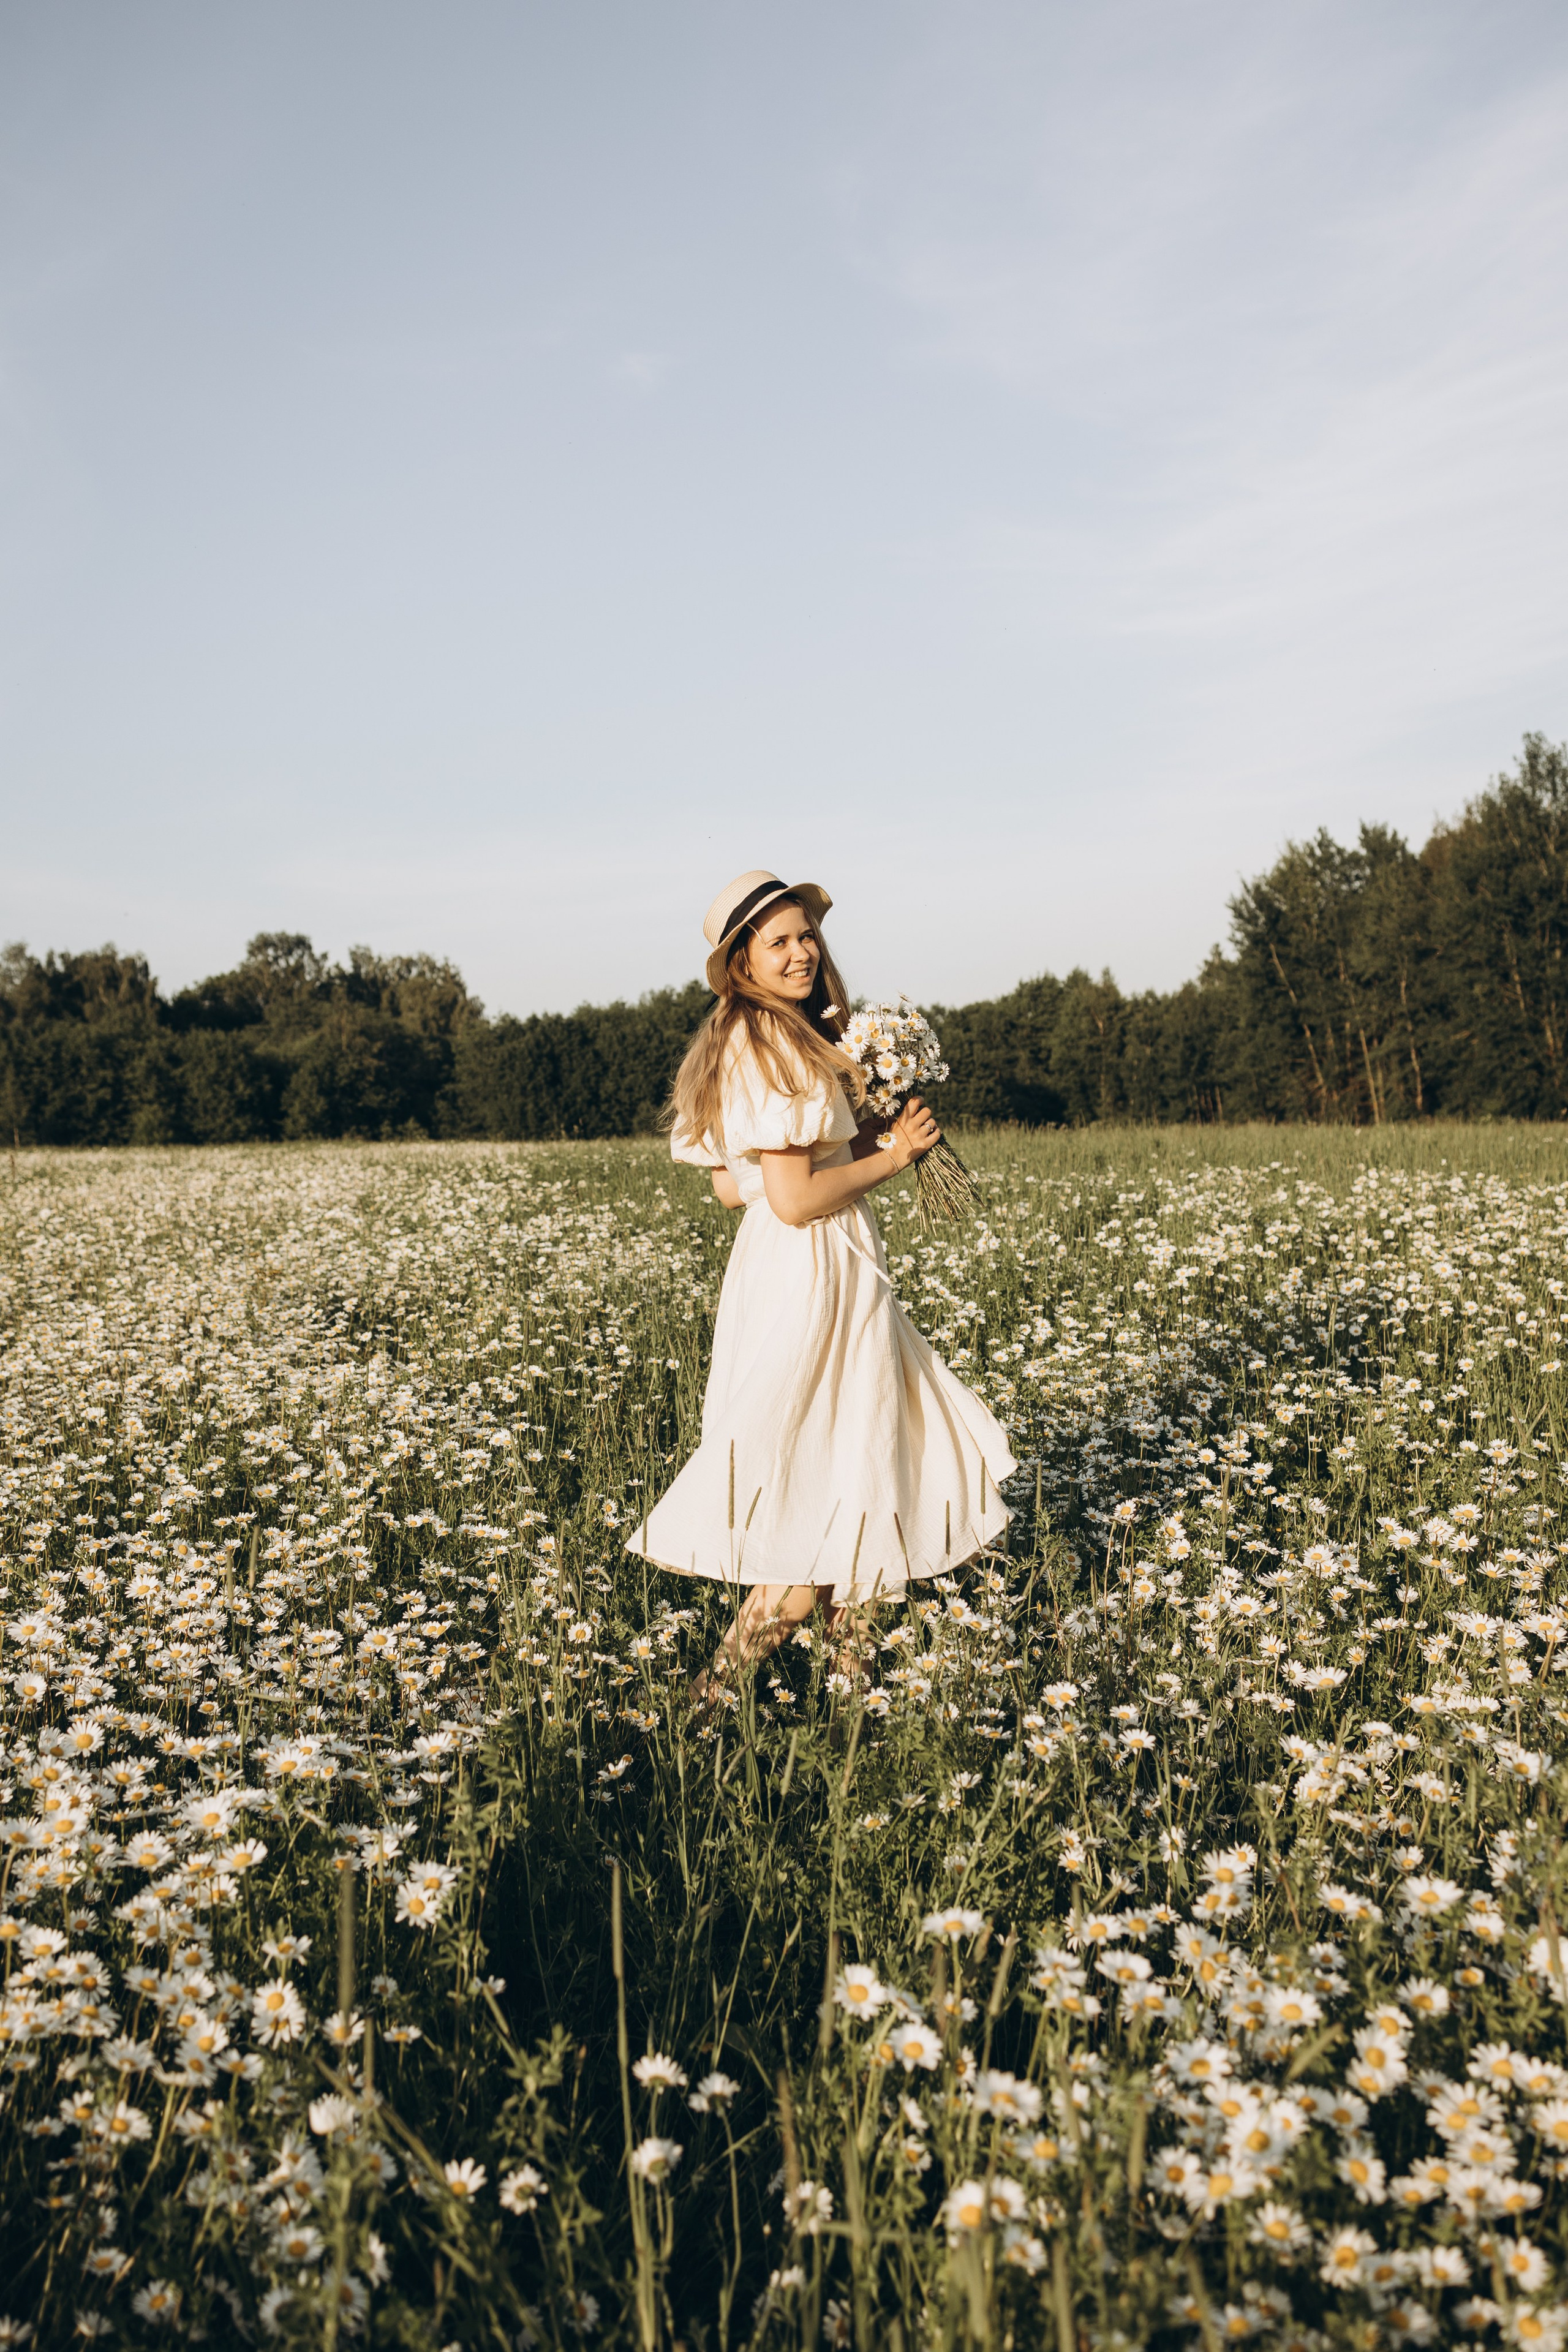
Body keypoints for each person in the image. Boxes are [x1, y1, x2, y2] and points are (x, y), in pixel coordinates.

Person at [625, 869, 1016, 1698]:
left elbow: (739, 1185)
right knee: (822, 1497)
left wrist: (860, 1129)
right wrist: (896, 1154)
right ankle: (707, 1703)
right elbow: (796, 1198)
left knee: (859, 1476)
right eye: (779, 942)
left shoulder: (758, 1039)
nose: (801, 953)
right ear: (743, 962)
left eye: (807, 936)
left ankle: (848, 1702)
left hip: (789, 1274)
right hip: (815, 1282)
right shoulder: (774, 1048)